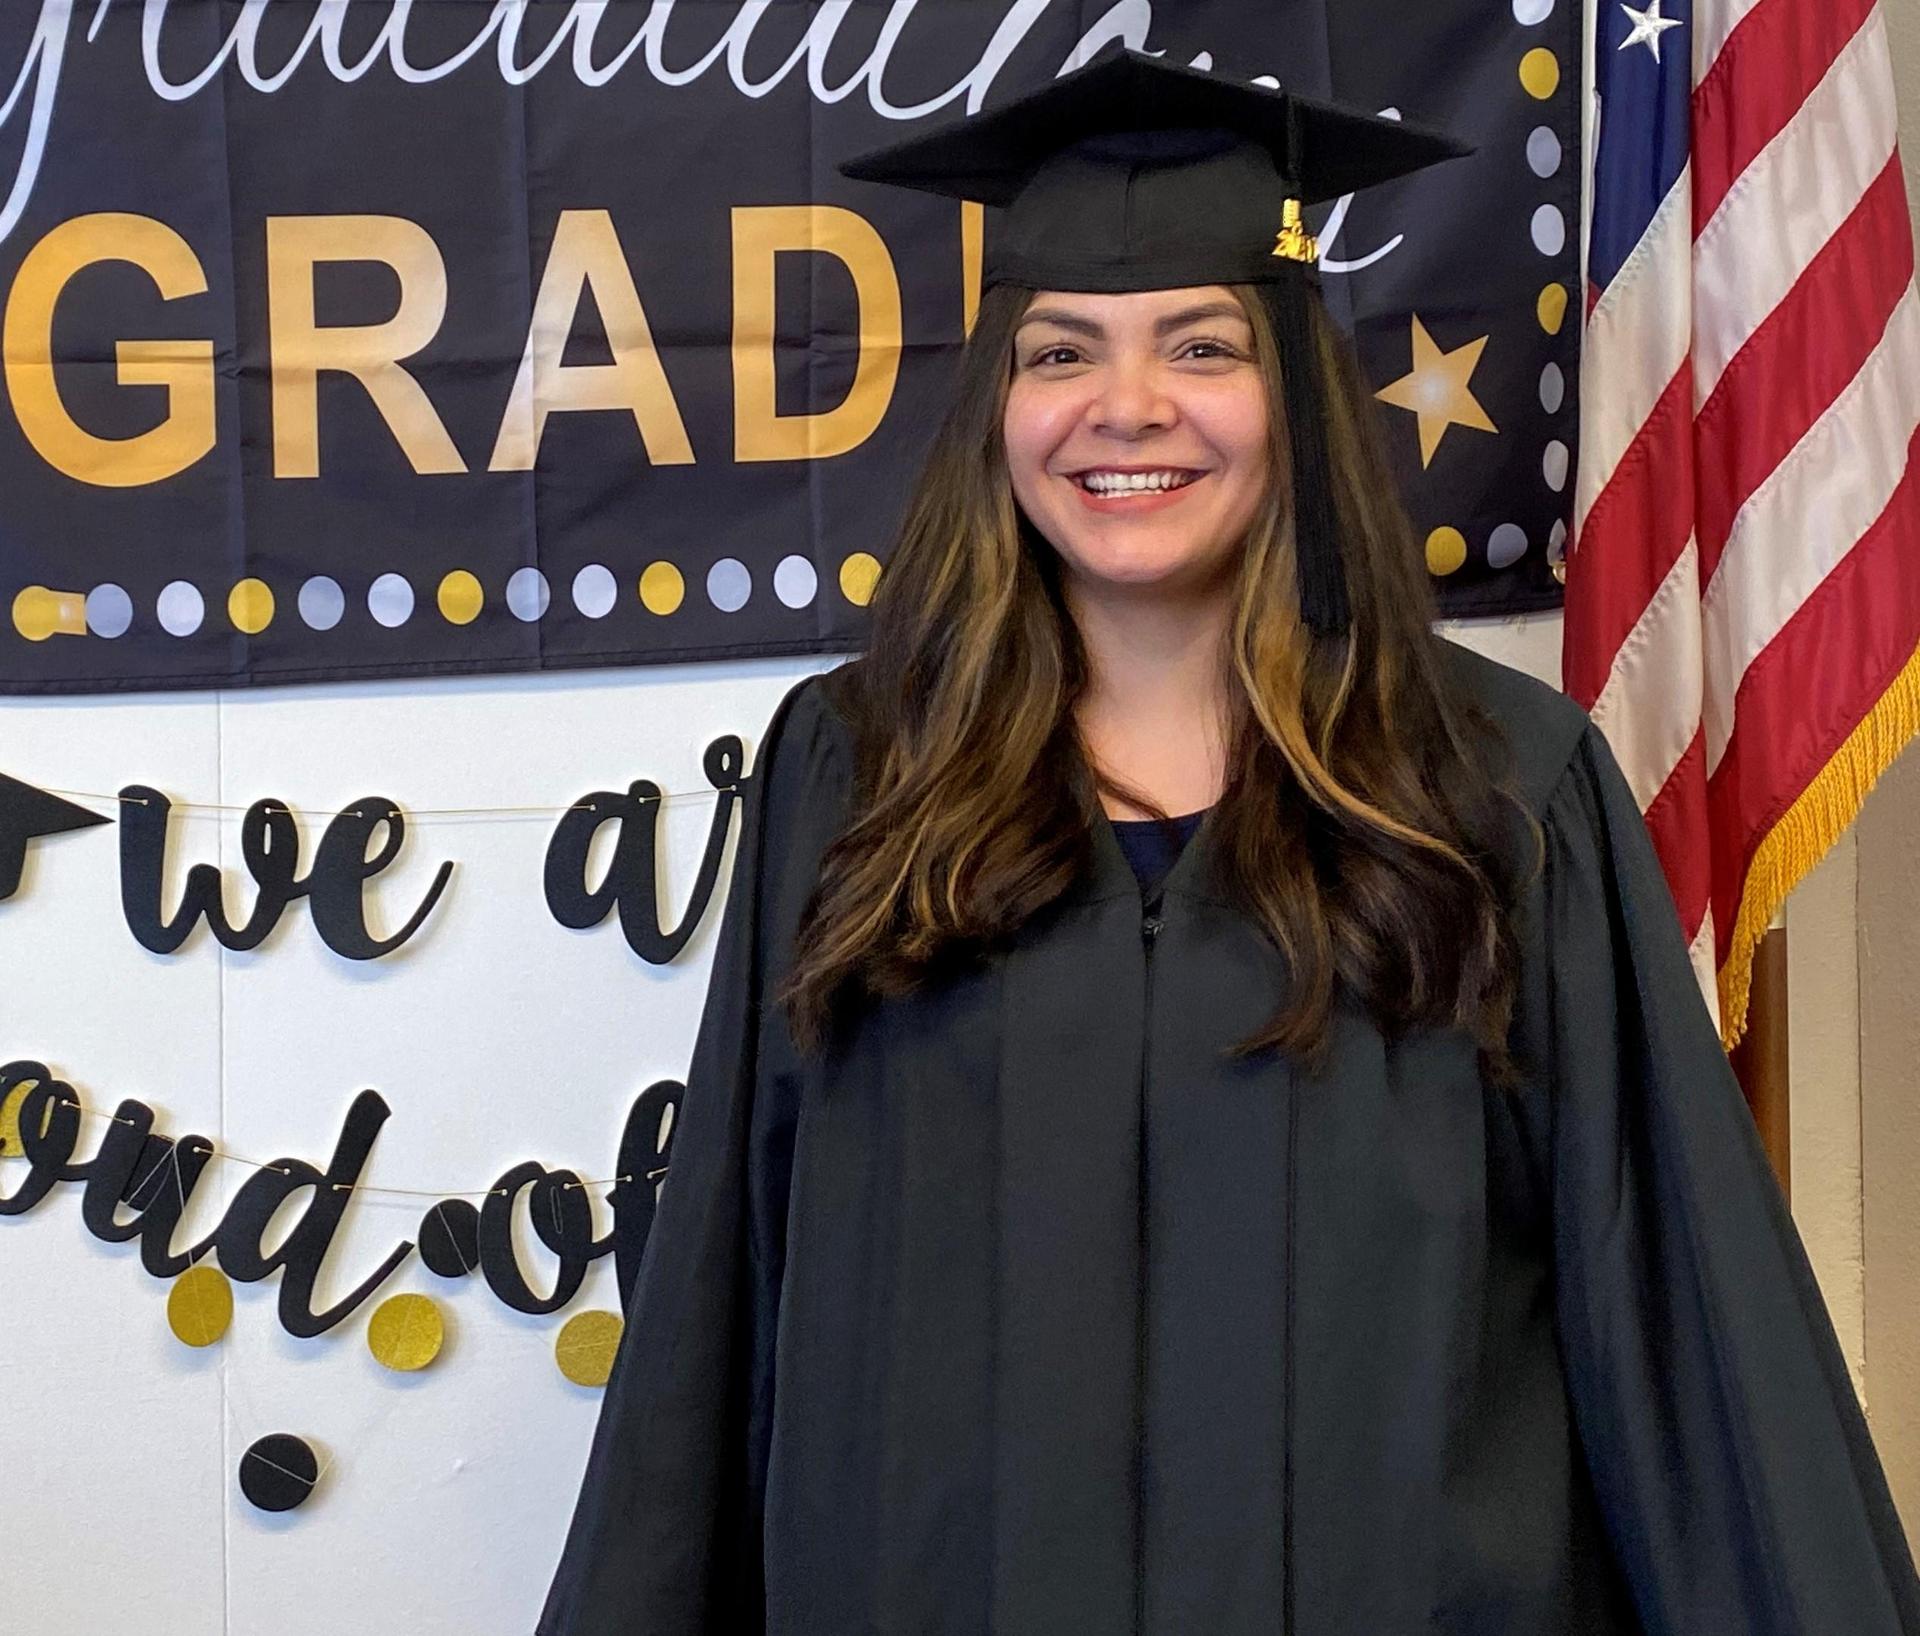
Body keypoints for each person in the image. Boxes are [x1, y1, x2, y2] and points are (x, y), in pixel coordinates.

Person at [536, 44, 1920, 1635]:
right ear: (1000, 403)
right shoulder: (855, 782)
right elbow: (725, 1292)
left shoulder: (1488, 792)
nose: (1125, 410)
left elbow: (1676, 1313)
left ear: (1291, 395)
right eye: (1061, 354)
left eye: (1199, 346)